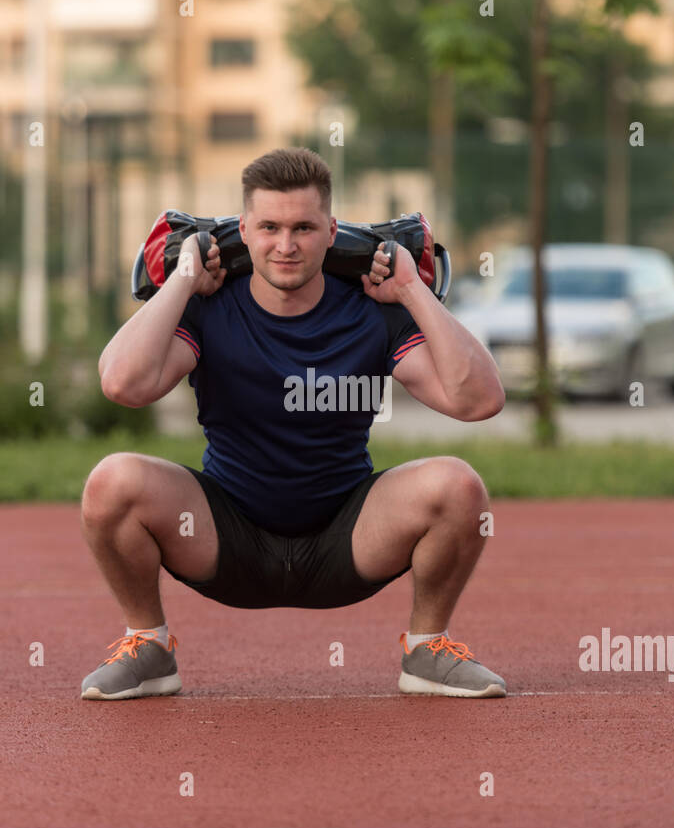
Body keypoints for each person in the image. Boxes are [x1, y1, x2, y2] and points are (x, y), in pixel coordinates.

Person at [80, 146, 507, 699]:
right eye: (270, 227)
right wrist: (181, 281)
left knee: (458, 485)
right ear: (241, 231)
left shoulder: (370, 309)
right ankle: (149, 645)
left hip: (346, 540)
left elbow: (478, 400)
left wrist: (412, 291)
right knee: (112, 482)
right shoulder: (211, 306)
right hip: (227, 538)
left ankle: (426, 649)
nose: (286, 245)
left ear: (333, 232)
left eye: (304, 227)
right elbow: (122, 384)